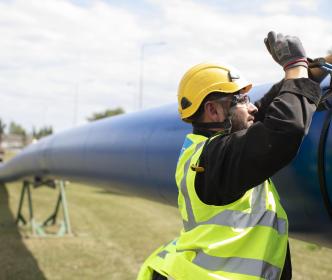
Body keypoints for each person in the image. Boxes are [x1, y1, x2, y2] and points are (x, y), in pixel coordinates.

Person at [137, 31, 325, 280]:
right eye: (242, 100)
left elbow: (265, 112)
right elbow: (284, 128)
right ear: (213, 110)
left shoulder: (213, 146)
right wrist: (295, 66)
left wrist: (309, 71)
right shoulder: (213, 160)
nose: (253, 106)